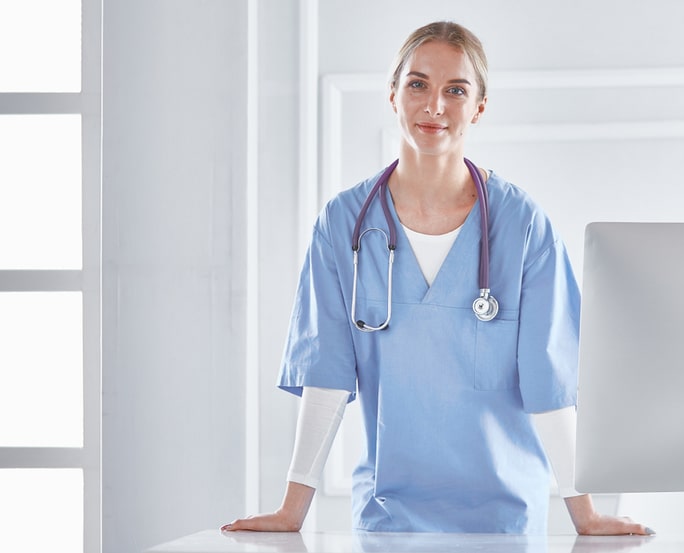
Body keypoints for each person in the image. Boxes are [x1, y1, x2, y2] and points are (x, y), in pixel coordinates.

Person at [223, 20, 652, 536]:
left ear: (479, 107)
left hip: (504, 516)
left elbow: (550, 379)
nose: (435, 106)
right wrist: (292, 511)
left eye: (456, 90)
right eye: (418, 84)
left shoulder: (522, 225)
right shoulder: (343, 223)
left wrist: (585, 516)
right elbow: (327, 374)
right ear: (393, 94)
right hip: (389, 517)